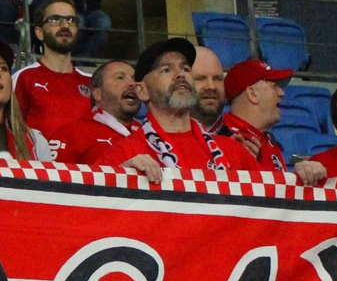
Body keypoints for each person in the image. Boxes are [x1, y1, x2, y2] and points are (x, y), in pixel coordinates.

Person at [91, 38, 245, 181]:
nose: (180, 75)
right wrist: (121, 177)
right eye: (166, 70)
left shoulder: (232, 151)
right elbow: (91, 198)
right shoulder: (125, 155)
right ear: (142, 91)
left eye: (185, 68)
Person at [214, 60, 328, 184]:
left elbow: (276, 190)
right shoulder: (219, 138)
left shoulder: (268, 140)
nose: (282, 93)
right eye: (274, 86)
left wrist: (300, 177)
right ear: (252, 94)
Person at [12, 0, 92, 151]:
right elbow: (11, 131)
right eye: (55, 19)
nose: (65, 25)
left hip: (84, 166)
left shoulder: (91, 82)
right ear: (39, 32)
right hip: (39, 165)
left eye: (71, 20)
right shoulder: (24, 78)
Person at [55, 59, 140, 165]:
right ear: (97, 94)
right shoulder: (71, 134)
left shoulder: (149, 135)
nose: (132, 84)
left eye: (134, 79)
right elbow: (55, 175)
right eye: (120, 77)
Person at [190, 46, 226, 131]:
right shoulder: (160, 137)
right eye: (200, 79)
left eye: (217, 79)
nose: (211, 86)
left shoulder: (240, 138)